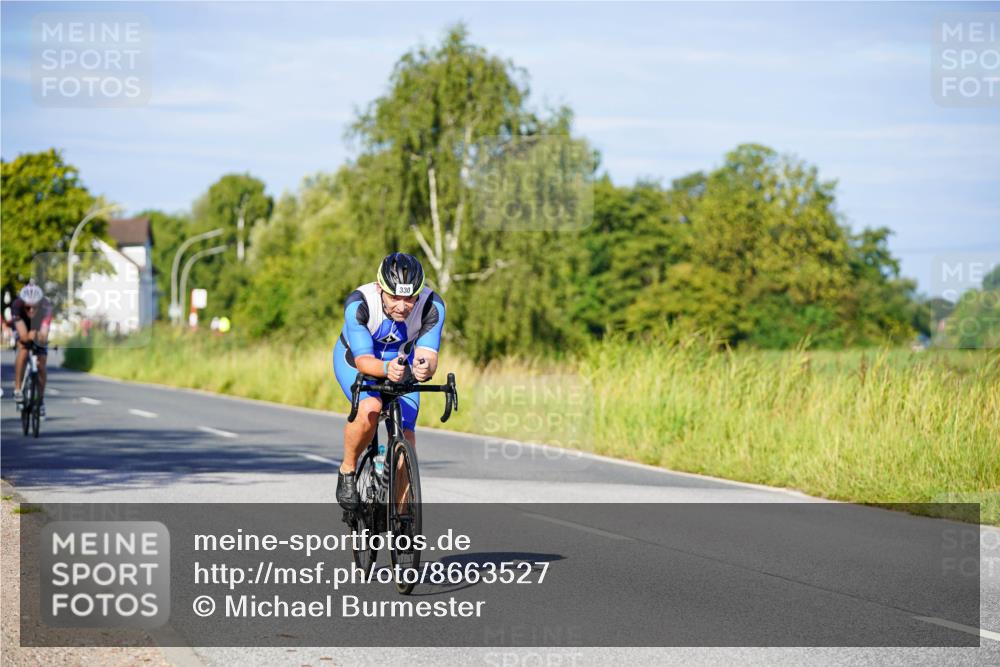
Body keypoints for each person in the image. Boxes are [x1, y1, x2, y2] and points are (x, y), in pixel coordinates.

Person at [332, 253, 445, 510]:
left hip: (401, 362)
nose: (402, 306)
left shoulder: (432, 306)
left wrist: (424, 368)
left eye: (410, 298)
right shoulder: (359, 304)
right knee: (370, 409)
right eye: (394, 297)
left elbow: (429, 355)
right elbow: (363, 361)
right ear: (379, 288)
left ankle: (402, 516)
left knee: (407, 434)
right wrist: (386, 368)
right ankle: (347, 468)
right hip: (356, 360)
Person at [11, 282, 53, 418]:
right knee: (23, 349)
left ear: (39, 304)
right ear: (23, 304)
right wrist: (28, 337)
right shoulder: (17, 305)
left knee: (41, 363)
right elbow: (23, 335)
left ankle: (40, 400)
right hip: (23, 327)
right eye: (28, 307)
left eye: (34, 307)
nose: (31, 310)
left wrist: (39, 337)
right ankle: (18, 389)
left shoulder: (46, 306)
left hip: (39, 328)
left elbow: (44, 335)